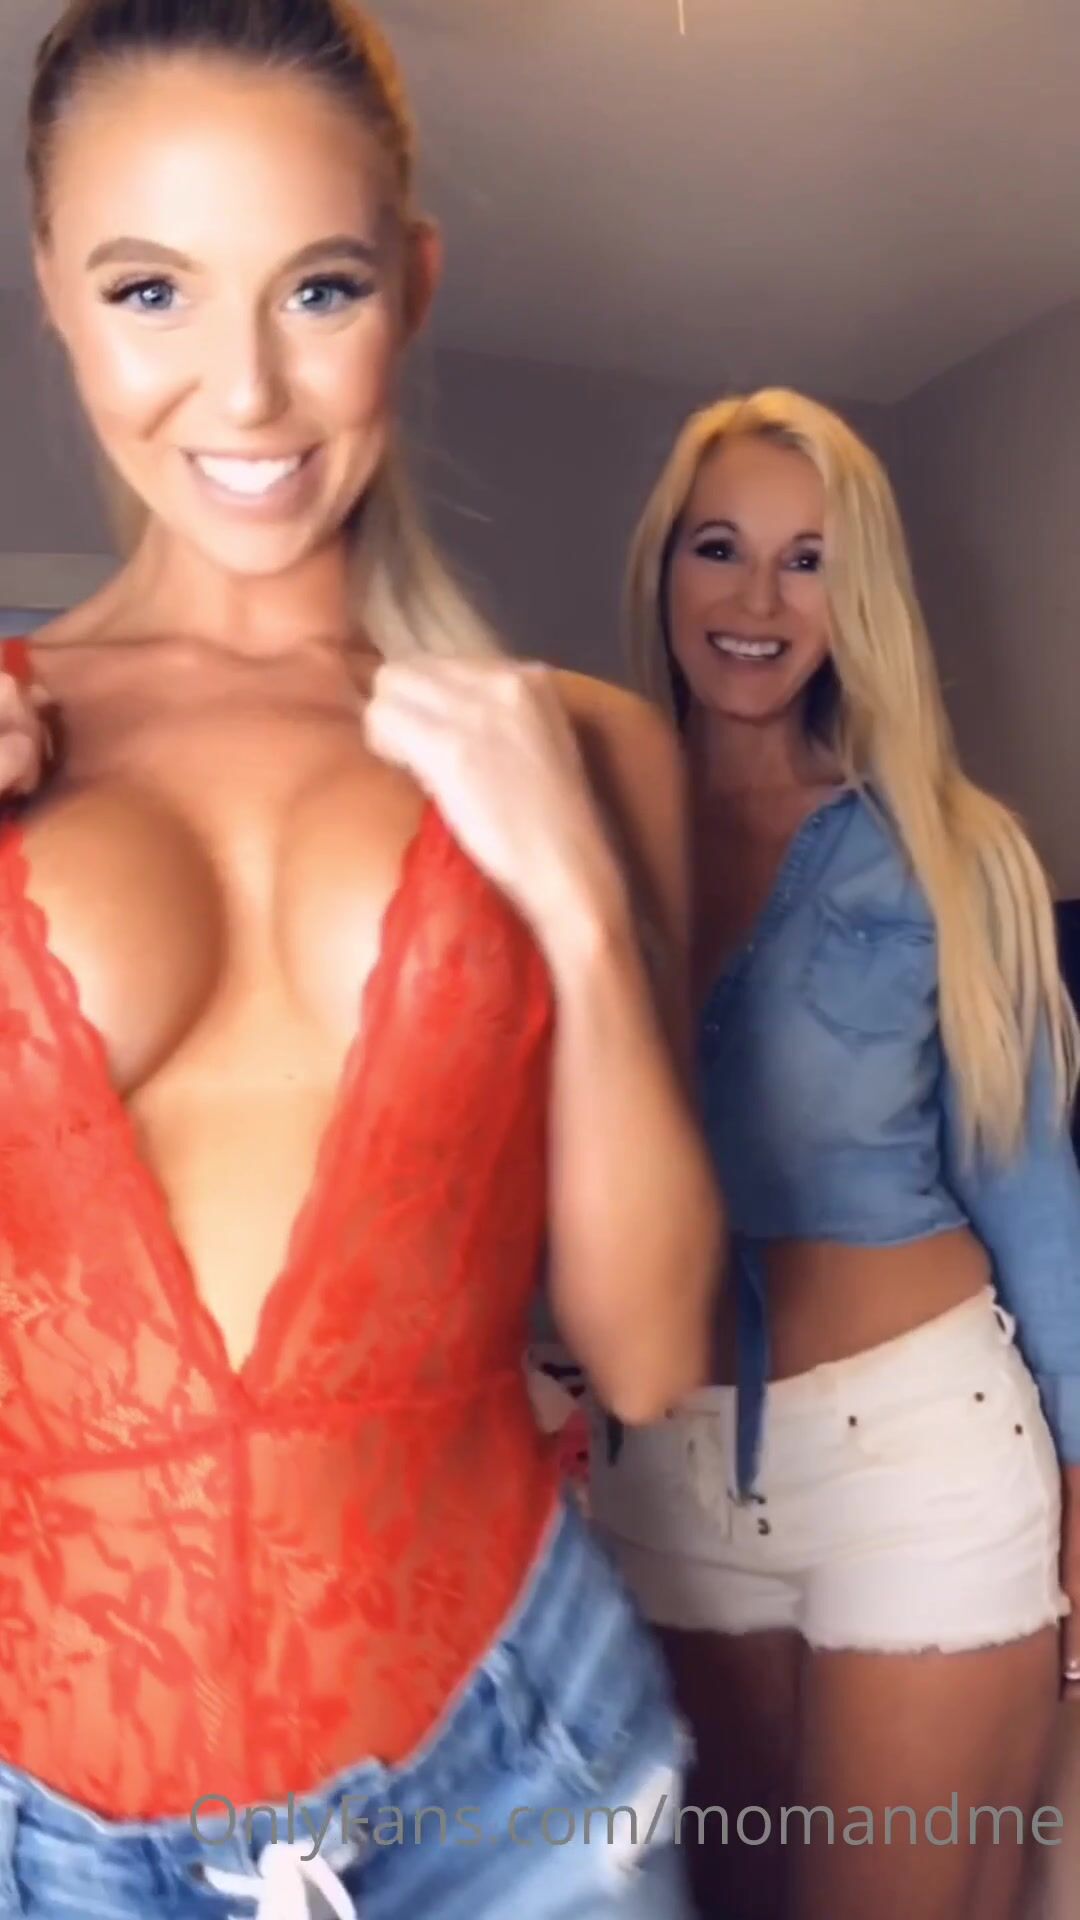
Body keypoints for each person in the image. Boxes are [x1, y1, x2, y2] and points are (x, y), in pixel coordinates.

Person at [0, 4, 723, 1915]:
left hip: (527, 1789)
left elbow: (651, 1353)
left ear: (411, 284)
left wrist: (576, 897)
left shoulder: (581, 748)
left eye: (317, 289)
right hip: (50, 1843)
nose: (245, 392)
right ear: (53, 292)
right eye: (149, 290)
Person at [584, 389, 1080, 1920]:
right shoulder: (573, 829)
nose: (757, 599)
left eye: (810, 561)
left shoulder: (946, 846)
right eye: (719, 547)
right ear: (663, 565)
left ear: (858, 597)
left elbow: (1034, 1200)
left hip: (919, 1459)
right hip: (662, 1475)